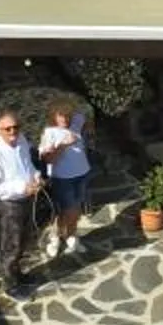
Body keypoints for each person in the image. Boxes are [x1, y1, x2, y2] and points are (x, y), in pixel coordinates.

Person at [0, 110, 41, 286]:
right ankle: (10, 284)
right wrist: (22, 187)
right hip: (10, 205)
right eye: (7, 129)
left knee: (24, 240)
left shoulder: (21, 140)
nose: (12, 131)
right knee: (11, 245)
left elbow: (27, 164)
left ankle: (18, 274)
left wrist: (36, 177)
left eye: (16, 127)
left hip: (27, 198)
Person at [38, 100, 92, 262]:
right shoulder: (49, 133)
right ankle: (55, 237)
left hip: (82, 173)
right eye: (61, 116)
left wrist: (89, 130)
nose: (66, 119)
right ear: (53, 117)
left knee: (76, 208)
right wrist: (63, 145)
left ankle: (71, 236)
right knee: (68, 210)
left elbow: (86, 118)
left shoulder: (76, 121)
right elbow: (47, 159)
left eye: (68, 115)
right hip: (63, 178)